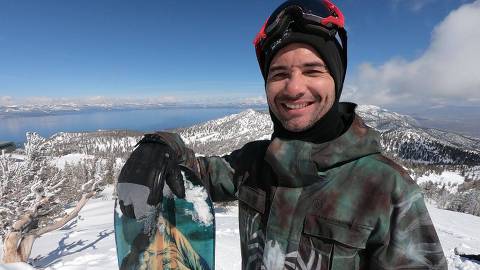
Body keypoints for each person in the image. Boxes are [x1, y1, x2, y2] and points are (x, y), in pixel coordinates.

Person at [117, 0, 448, 269]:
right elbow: (194, 174)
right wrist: (158, 145)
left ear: (337, 78)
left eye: (312, 70)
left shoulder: (386, 188)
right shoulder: (256, 163)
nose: (294, 88)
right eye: (279, 74)